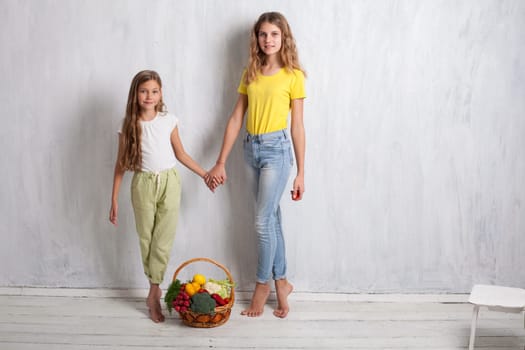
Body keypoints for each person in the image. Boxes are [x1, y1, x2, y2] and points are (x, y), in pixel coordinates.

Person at [207, 12, 306, 318]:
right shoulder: (250, 71)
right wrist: (220, 160)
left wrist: (301, 172)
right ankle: (282, 282)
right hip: (251, 149)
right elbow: (237, 118)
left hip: (277, 151)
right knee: (271, 219)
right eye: (263, 34)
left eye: (274, 34)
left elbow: (298, 126)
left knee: (262, 223)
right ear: (257, 39)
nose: (268, 40)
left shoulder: (294, 75)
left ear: (283, 37)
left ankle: (261, 285)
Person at [109, 70, 209, 323]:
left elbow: (181, 154)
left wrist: (205, 174)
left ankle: (154, 292)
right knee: (147, 239)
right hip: (142, 183)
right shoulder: (128, 124)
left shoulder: (168, 120)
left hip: (170, 182)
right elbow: (121, 164)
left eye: (154, 91)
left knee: (162, 240)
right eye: (144, 91)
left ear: (161, 93)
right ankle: (154, 289)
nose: (149, 96)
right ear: (135, 94)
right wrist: (113, 200)